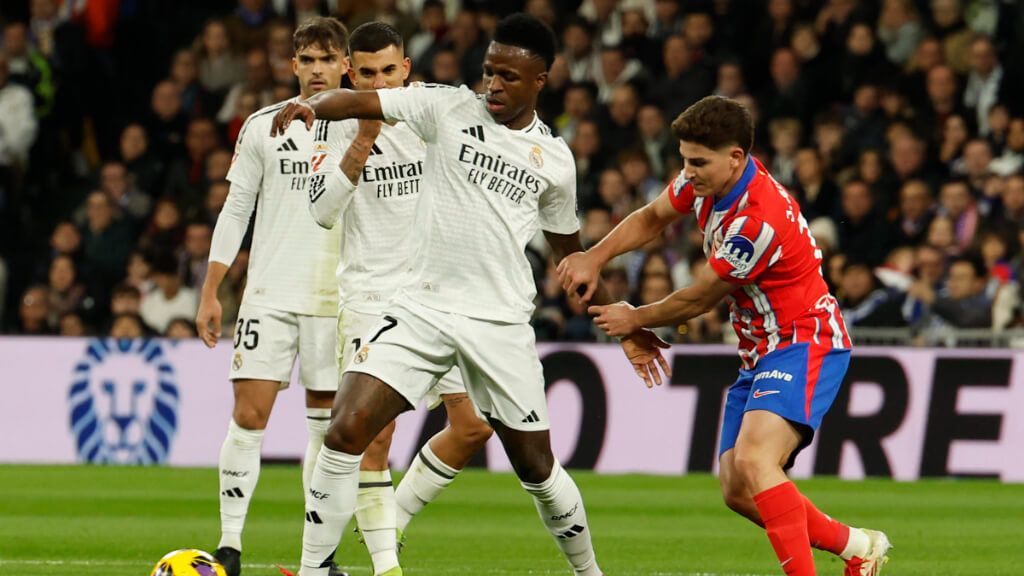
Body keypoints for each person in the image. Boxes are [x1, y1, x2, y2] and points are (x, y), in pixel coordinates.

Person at [272, 14, 667, 576]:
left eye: (509, 76)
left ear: (541, 81)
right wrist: (315, 106)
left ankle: (589, 572)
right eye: (489, 71)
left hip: (498, 324)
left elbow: (569, 257)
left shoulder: (554, 160)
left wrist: (618, 319)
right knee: (345, 430)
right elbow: (364, 104)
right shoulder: (446, 106)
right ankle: (315, 571)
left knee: (538, 470)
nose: (494, 85)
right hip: (419, 308)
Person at [557, 95, 891, 576]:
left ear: (736, 157)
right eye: (684, 160)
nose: (687, 172)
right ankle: (856, 546)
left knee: (757, 460)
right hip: (759, 349)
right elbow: (651, 218)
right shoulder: (707, 181)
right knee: (737, 489)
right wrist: (595, 256)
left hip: (804, 339)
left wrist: (636, 318)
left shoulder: (758, 219)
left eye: (697, 162)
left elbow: (700, 298)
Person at [304, 22, 493, 576]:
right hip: (371, 294)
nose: (380, 82)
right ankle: (386, 567)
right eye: (367, 73)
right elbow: (321, 212)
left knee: (473, 426)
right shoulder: (333, 126)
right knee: (374, 437)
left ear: (406, 70)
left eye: (390, 71)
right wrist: (363, 139)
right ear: (350, 74)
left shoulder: (433, 117)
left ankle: (390, 522)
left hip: (436, 294)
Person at [194, 17, 350, 576]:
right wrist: (212, 290)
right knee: (249, 414)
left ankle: (320, 556)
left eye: (326, 60)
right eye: (306, 60)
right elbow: (237, 210)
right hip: (267, 292)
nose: (315, 70)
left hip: (338, 297)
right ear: (293, 66)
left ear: (345, 65)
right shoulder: (263, 125)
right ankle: (230, 546)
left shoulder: (366, 126)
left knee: (326, 431)